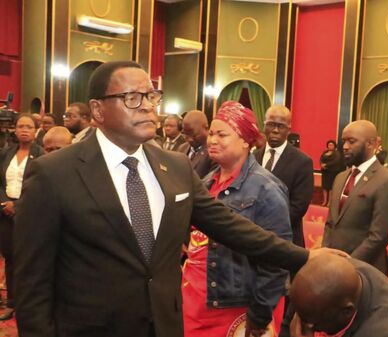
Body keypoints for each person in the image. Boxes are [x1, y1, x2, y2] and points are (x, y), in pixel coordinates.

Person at [13, 61, 342, 337]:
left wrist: (302, 257)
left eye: (151, 95)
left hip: (166, 325)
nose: (146, 105)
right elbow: (32, 285)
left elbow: (230, 227)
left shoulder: (174, 166)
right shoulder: (53, 174)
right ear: (98, 110)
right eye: (131, 97)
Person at [183, 101, 291, 337]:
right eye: (211, 133)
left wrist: (260, 314)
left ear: (245, 140)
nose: (212, 140)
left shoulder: (267, 189)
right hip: (194, 303)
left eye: (222, 134)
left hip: (235, 309)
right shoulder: (206, 182)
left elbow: (276, 261)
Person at [322, 120, 388, 275]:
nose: (345, 146)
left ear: (371, 144)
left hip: (365, 270)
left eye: (351, 141)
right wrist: (326, 254)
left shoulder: (387, 180)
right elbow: (330, 223)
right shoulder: (340, 177)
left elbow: (379, 236)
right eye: (344, 141)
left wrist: (349, 263)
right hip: (333, 267)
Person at [289, 255, 388, 337]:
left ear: (347, 311)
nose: (307, 326)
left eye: (314, 322)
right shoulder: (348, 270)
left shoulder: (384, 333)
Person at [0, 113, 44, 320]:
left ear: (36, 131)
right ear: (14, 130)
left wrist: (19, 205)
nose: (23, 130)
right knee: (10, 258)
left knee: (28, 259)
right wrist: (5, 203)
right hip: (5, 212)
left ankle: (29, 302)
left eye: (28, 126)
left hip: (29, 212)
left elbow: (41, 186)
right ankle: (11, 303)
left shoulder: (42, 154)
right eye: (20, 126)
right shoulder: (5, 153)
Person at [254, 104, 313, 249]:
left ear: (289, 129)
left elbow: (298, 206)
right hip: (252, 237)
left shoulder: (302, 161)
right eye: (271, 125)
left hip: (286, 240)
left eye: (281, 126)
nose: (275, 130)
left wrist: (266, 226)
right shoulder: (253, 157)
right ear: (263, 126)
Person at [178, 110, 214, 178]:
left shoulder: (212, 153)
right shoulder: (181, 148)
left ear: (206, 128)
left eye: (194, 135)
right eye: (186, 134)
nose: (189, 139)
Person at [319, 140, 344, 206]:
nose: (330, 146)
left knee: (330, 187)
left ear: (334, 146)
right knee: (324, 187)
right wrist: (321, 164)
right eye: (329, 145)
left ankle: (329, 202)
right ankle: (324, 201)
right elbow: (321, 159)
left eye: (332, 145)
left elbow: (335, 161)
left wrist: (326, 165)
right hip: (325, 172)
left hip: (332, 172)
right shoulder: (325, 152)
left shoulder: (336, 153)